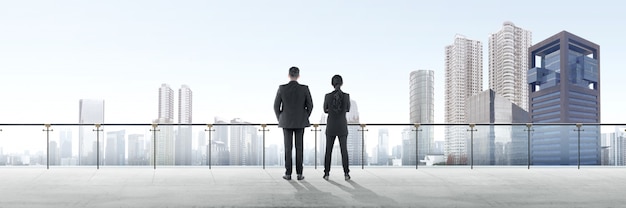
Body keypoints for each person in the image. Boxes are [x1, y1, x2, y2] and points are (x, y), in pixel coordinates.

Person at [274, 66, 313, 181]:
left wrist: (280, 118)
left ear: (288, 75)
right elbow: (310, 105)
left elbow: (276, 106)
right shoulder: (304, 88)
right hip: (300, 122)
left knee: (287, 148)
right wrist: (304, 116)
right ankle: (300, 174)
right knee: (299, 148)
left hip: (286, 122)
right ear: (298, 75)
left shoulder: (282, 88)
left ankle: (288, 173)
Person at [323, 75, 351, 180]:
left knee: (328, 150)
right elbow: (347, 109)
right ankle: (346, 174)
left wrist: (331, 110)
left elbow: (325, 110)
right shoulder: (346, 96)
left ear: (332, 83)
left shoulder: (327, 96)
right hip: (342, 126)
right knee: (344, 150)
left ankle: (326, 173)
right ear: (342, 83)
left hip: (331, 126)